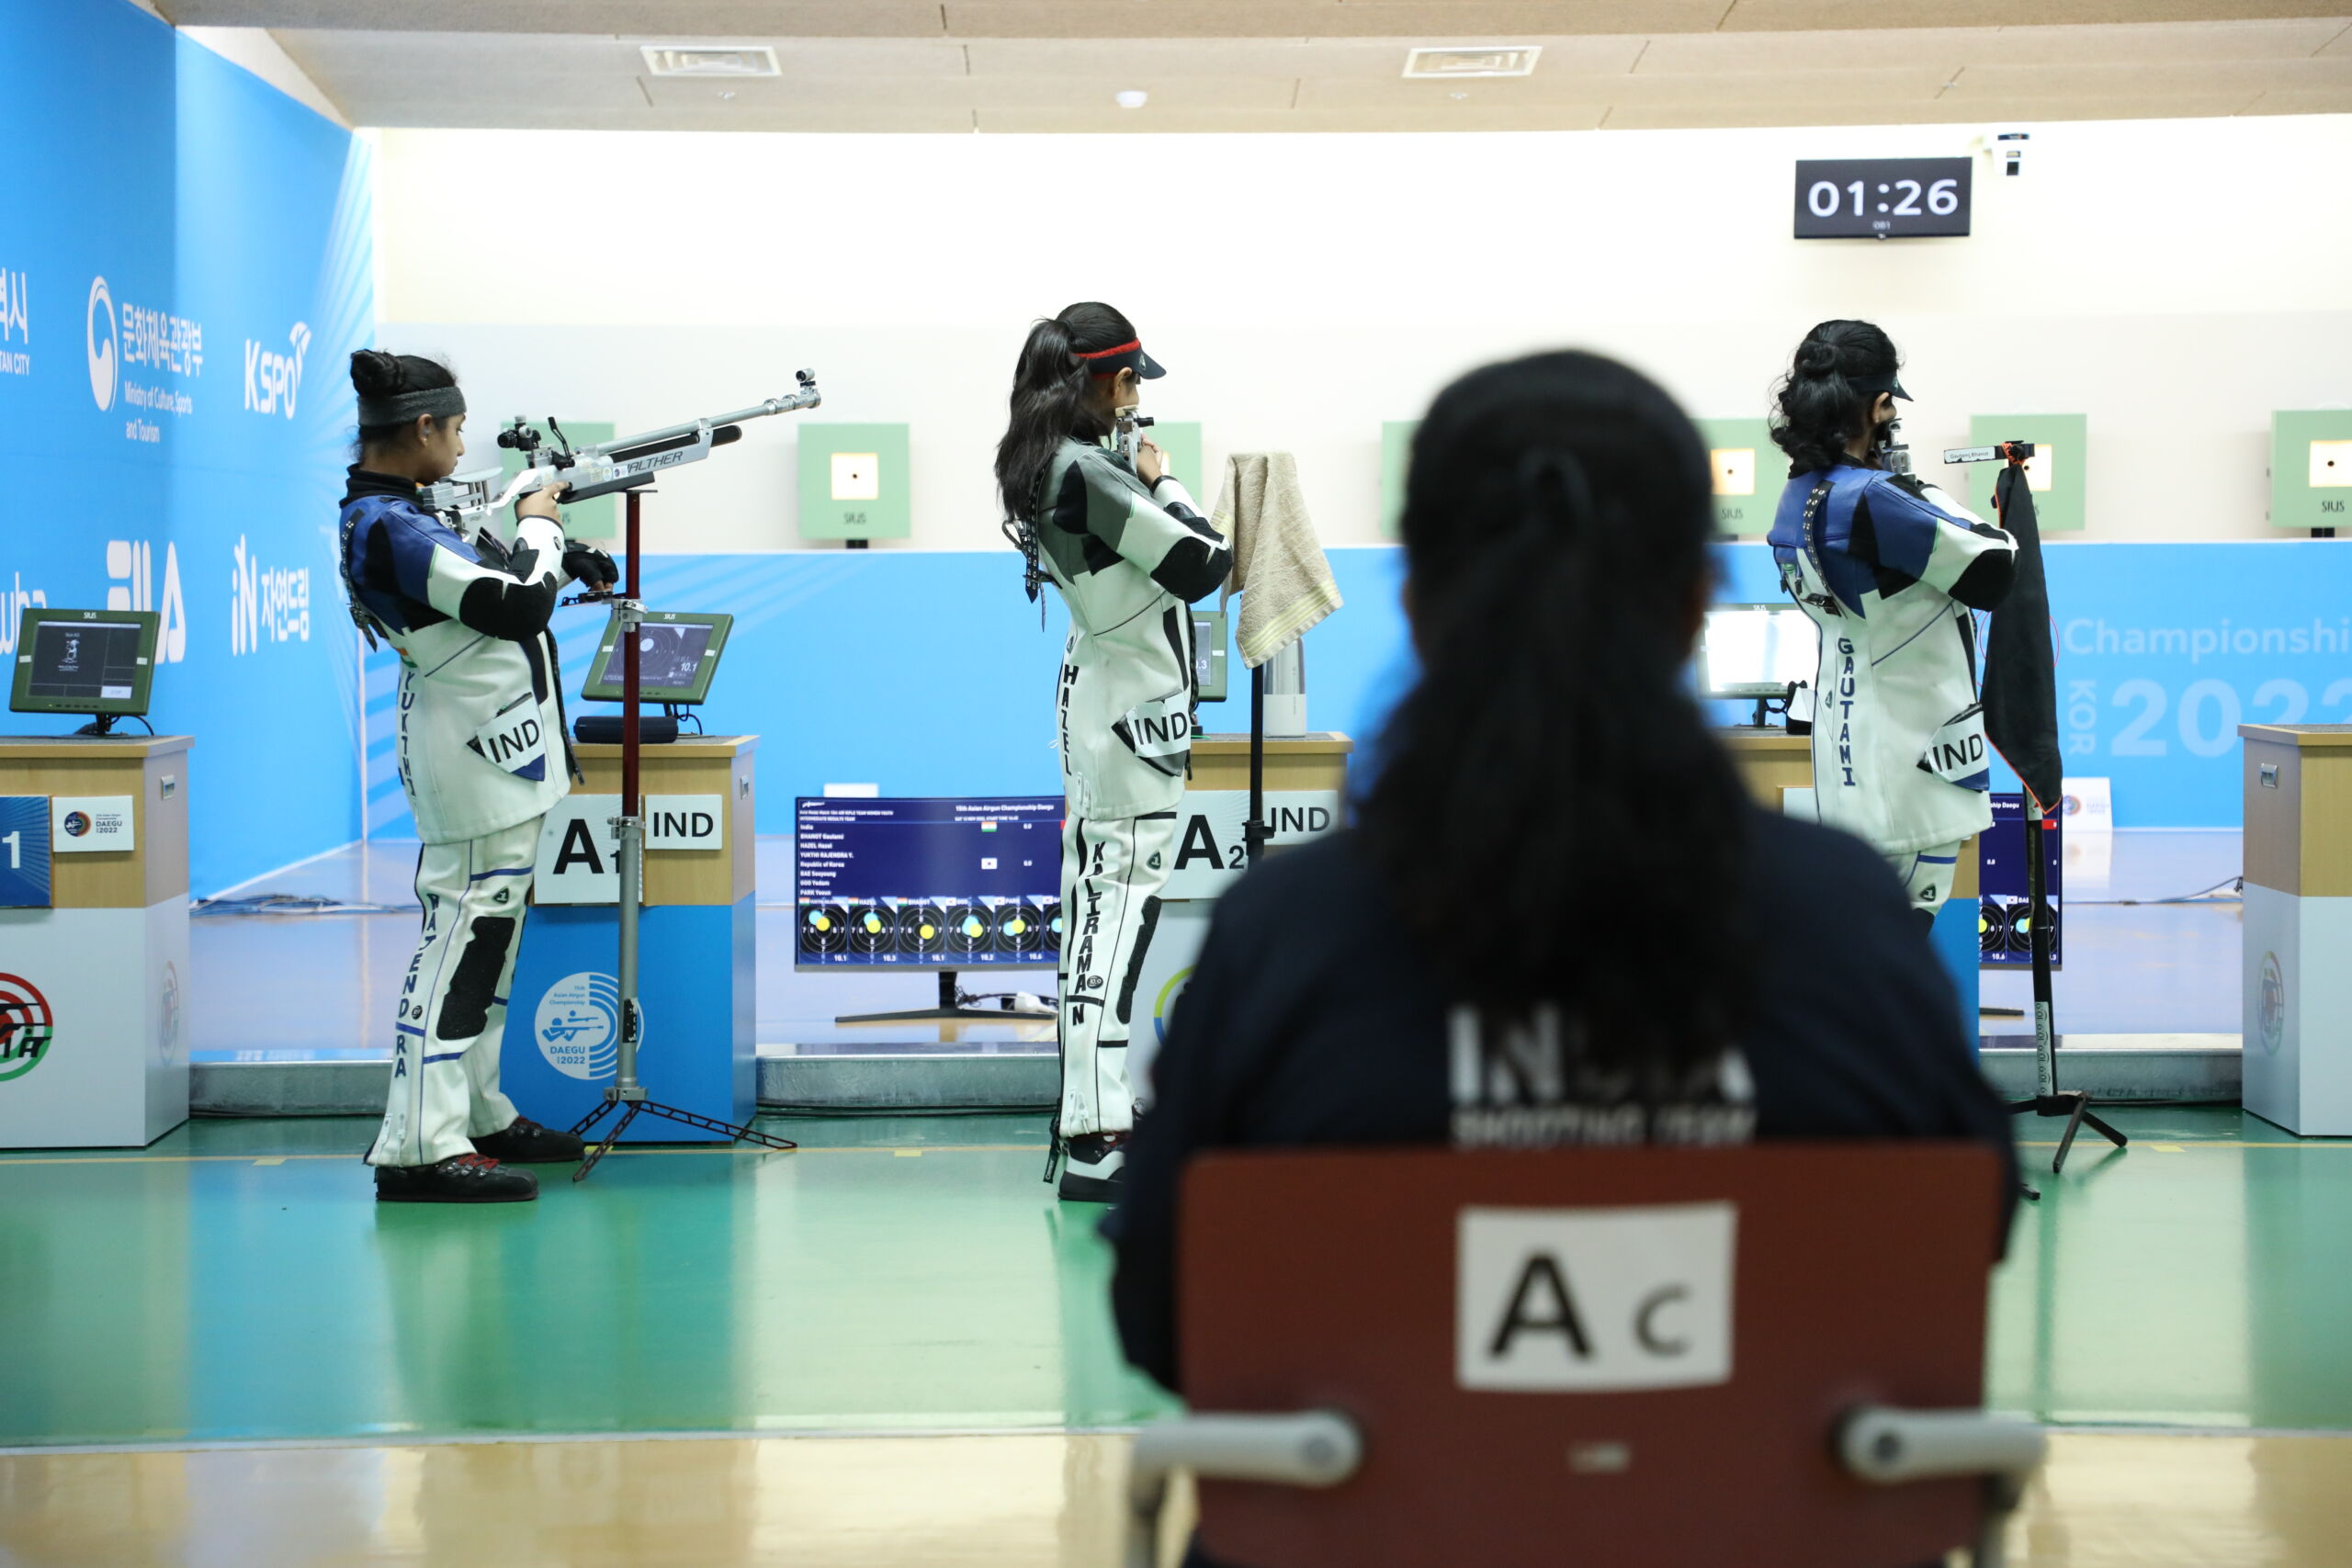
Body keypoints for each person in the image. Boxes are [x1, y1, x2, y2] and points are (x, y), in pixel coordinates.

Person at [1108, 349, 2018, 1418]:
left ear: (1418, 606)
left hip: (1398, 1496)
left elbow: (1159, 1309)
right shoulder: (1843, 921)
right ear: (1693, 604)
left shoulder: (1283, 935)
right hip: (1737, 1490)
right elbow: (1963, 1235)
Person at [338, 349, 616, 1203]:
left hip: (498, 755)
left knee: (488, 947)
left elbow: (490, 585)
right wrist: (541, 526)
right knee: (458, 945)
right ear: (421, 426)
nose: (462, 447)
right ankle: (419, 1145)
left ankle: (478, 1113)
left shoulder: (403, 516)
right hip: (472, 760)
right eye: (455, 430)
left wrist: (560, 551)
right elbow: (514, 603)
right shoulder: (392, 526)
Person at [995, 303, 1231, 1202]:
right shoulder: (1086, 472)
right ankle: (1097, 1138)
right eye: (1131, 383)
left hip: (1108, 703)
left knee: (1099, 915)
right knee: (1114, 922)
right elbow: (1202, 563)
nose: (1135, 400)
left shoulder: (1056, 461)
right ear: (1107, 380)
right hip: (1127, 717)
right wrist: (1165, 482)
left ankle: (1087, 1121)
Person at [1767, 320, 2018, 925]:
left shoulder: (1796, 493)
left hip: (1847, 757)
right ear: (1880, 405)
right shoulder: (1876, 498)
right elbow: (1995, 566)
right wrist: (1916, 488)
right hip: (1911, 768)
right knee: (1890, 948)